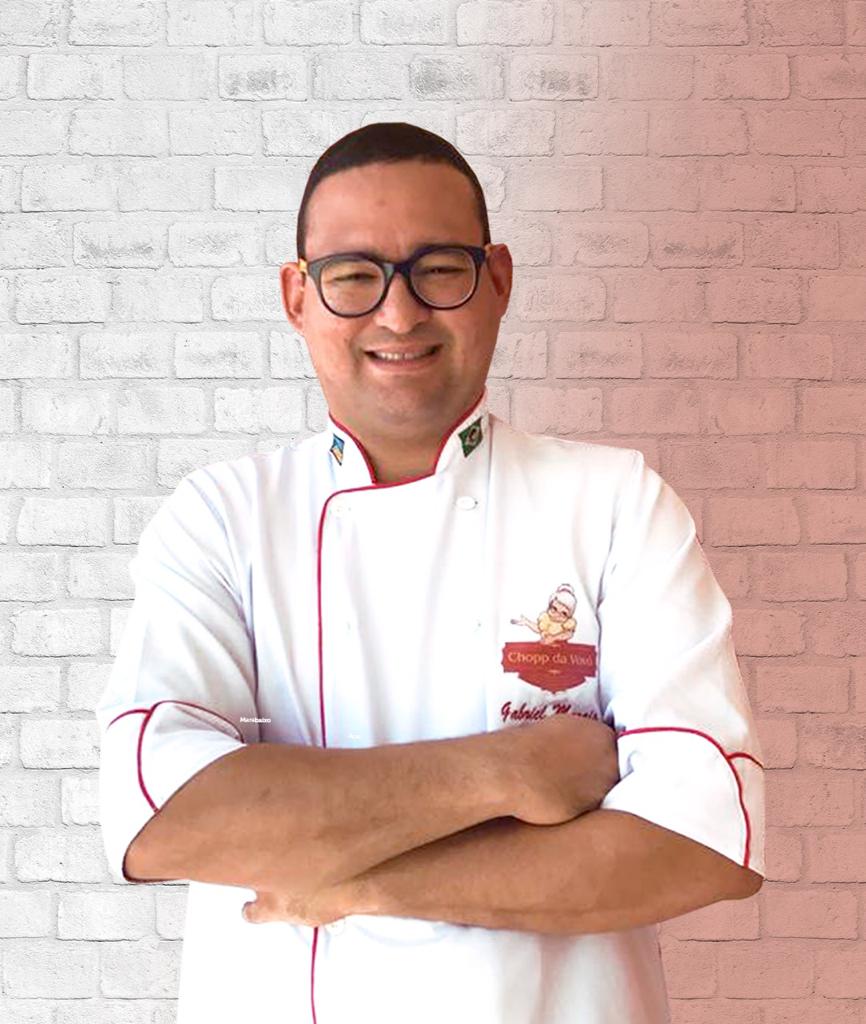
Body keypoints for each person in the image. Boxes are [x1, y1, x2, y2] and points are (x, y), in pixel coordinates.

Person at [95, 122, 765, 1024]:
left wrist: (352, 886)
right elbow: (162, 821)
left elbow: (701, 843)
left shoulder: (615, 503)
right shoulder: (220, 518)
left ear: (498, 281)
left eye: (439, 269)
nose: (400, 314)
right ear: (298, 296)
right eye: (354, 276)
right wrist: (508, 773)